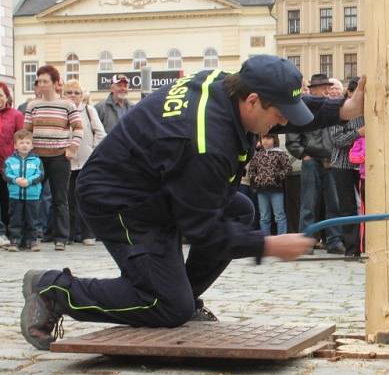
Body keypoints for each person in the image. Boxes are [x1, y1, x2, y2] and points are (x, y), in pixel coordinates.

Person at [19, 55, 364, 351]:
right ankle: (52, 290)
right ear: (253, 101)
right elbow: (204, 231)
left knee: (240, 211)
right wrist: (269, 244)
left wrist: (343, 109)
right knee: (166, 305)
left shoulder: (223, 83)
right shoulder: (206, 144)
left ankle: (178, 296)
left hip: (158, 187)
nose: (285, 123)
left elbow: (292, 105)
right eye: (279, 113)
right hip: (119, 200)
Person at [24, 65, 83, 251]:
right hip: (37, 158)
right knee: (33, 198)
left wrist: (72, 148)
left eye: (45, 81)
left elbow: (79, 128)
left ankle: (61, 238)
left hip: (59, 157)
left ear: (55, 83)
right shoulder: (32, 105)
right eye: (39, 81)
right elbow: (26, 131)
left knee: (60, 199)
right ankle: (31, 238)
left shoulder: (67, 105)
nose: (41, 84)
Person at [285, 72, 346, 255]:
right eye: (325, 87)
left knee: (333, 203)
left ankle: (334, 240)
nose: (329, 90)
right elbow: (292, 139)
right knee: (308, 204)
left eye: (329, 87)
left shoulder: (332, 109)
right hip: (311, 159)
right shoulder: (302, 109)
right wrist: (304, 155)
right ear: (316, 90)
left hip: (330, 161)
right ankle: (307, 241)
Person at [63, 80, 105, 246]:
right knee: (68, 200)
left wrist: (93, 152)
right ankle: (70, 233)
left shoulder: (89, 110)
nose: (73, 96)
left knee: (86, 198)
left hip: (87, 162)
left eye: (76, 93)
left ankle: (88, 233)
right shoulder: (62, 110)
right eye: (69, 92)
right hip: (67, 162)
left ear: (82, 95)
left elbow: (101, 133)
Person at [329, 78, 364, 256]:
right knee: (347, 207)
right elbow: (337, 140)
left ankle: (366, 246)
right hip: (343, 165)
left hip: (365, 166)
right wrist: (358, 133)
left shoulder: (369, 111)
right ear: (349, 93)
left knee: (367, 206)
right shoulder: (339, 112)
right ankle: (352, 249)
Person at [4, 130, 43, 252]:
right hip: (15, 195)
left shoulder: (37, 161)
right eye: (21, 143)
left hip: (32, 196)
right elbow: (6, 175)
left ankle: (31, 241)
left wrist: (29, 181)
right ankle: (15, 241)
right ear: (15, 145)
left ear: (32, 145)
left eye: (27, 142)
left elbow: (40, 175)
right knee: (15, 219)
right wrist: (16, 180)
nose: (24, 145)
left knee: (32, 220)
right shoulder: (9, 161)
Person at [250, 133, 291, 235]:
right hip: (261, 190)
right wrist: (254, 180)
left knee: (279, 216)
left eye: (269, 138)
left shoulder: (280, 154)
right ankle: (266, 240)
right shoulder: (258, 155)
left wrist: (278, 177)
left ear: (275, 140)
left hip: (276, 189)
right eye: (264, 138)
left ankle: (282, 239)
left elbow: (288, 168)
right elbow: (252, 169)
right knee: (264, 217)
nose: (266, 141)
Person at [0, 82, 24, 247]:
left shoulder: (16, 115)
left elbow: (21, 138)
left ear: (7, 97)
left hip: (10, 166)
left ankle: (11, 232)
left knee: (9, 201)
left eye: (1, 95)